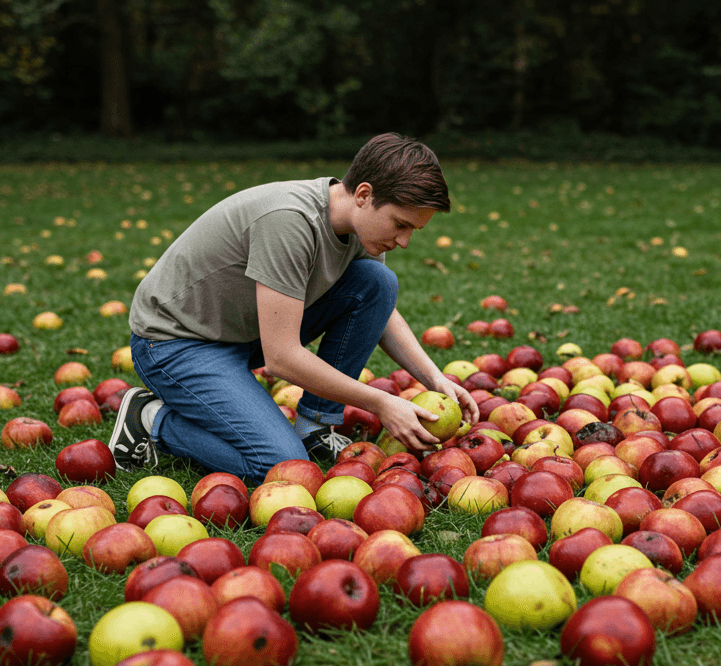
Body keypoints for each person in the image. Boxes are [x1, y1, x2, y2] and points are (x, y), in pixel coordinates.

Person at [108, 132, 479, 482]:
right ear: (364, 194)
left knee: (379, 283)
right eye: (400, 224)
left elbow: (379, 310)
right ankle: (152, 418)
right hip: (176, 344)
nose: (405, 241)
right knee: (281, 467)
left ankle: (315, 427)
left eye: (413, 229)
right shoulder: (289, 222)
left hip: (242, 333)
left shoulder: (356, 228)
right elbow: (281, 358)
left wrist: (435, 379)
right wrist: (382, 403)